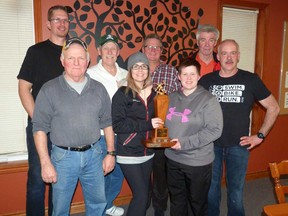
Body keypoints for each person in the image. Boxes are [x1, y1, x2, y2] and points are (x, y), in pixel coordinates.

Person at [32, 37, 115, 215]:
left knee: (97, 204)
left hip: (95, 155)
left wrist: (111, 153)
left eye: (81, 58)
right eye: (71, 58)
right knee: (60, 208)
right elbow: (39, 128)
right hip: (63, 158)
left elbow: (107, 123)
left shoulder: (98, 89)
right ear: (63, 61)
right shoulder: (49, 89)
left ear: (88, 61)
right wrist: (45, 163)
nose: (76, 63)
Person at [199, 39, 280, 216]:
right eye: (224, 53)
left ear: (238, 56)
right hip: (211, 145)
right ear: (218, 56)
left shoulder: (250, 79)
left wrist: (260, 135)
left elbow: (274, 107)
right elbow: (194, 110)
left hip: (239, 145)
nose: (229, 57)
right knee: (211, 190)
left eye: (233, 53)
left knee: (235, 191)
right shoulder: (206, 81)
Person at [17, 5, 69, 216]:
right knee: (38, 179)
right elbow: (23, 89)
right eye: (57, 19)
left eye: (65, 19)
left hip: (67, 129)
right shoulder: (36, 51)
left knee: (61, 181)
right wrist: (40, 120)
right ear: (48, 24)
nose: (62, 23)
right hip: (41, 128)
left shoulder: (75, 52)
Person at [165, 58, 223, 216]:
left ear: (199, 76)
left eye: (193, 74)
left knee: (197, 204)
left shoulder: (208, 100)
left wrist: (184, 143)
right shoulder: (171, 97)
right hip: (172, 158)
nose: (188, 78)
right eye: (185, 74)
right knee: (177, 200)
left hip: (197, 162)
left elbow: (215, 130)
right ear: (178, 76)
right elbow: (167, 123)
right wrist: (158, 123)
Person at [111, 52, 163, 216]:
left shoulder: (155, 93)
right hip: (128, 152)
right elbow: (117, 125)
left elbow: (159, 118)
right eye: (136, 66)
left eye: (143, 66)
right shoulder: (123, 93)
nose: (140, 70)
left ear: (148, 70)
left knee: (145, 194)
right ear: (130, 70)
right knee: (140, 196)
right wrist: (147, 124)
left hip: (148, 152)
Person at [87, 33, 127, 216]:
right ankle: (99, 211)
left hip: (124, 134)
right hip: (101, 136)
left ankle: (108, 204)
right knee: (101, 175)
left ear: (118, 51)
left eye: (113, 48)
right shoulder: (90, 74)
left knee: (118, 173)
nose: (110, 51)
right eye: (106, 48)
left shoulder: (127, 74)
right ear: (99, 51)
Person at [142, 33, 181, 216]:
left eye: (157, 47)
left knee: (160, 171)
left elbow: (177, 100)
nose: (153, 50)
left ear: (161, 51)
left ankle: (159, 207)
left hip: (161, 131)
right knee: (141, 170)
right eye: (149, 47)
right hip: (139, 129)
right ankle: (143, 201)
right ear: (143, 49)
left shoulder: (171, 72)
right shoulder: (134, 71)